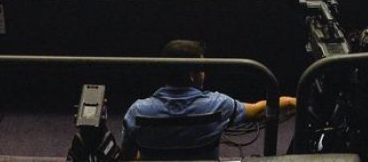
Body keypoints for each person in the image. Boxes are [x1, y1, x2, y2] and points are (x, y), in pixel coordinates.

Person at [121, 39, 296, 160]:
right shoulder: (217, 106)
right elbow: (258, 110)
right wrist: (292, 102)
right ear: (191, 76)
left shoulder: (137, 112)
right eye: (202, 68)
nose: (204, 74)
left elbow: (127, 157)